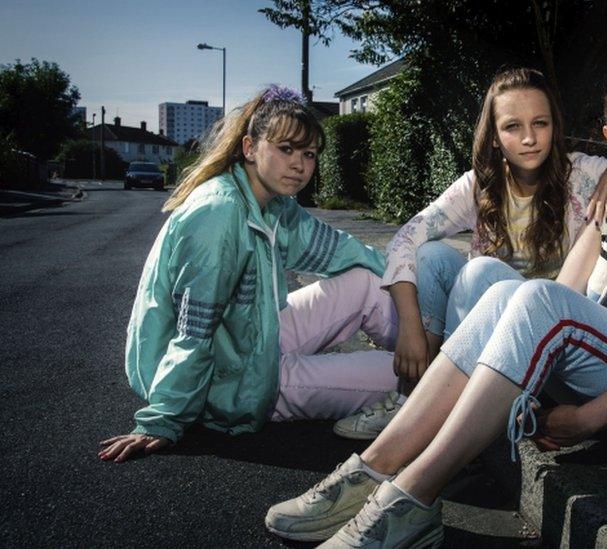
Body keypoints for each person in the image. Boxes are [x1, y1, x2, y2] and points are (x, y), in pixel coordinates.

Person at [265, 57, 607, 547]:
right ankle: (373, 469)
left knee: (533, 297)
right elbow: (569, 291)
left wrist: (587, 419)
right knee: (507, 290)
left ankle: (411, 497)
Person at [98, 86, 400, 463]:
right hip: (229, 381)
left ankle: (447, 357)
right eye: (285, 149)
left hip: (254, 338)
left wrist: (404, 275)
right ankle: (448, 385)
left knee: (367, 281)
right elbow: (194, 332)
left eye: (308, 154)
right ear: (249, 148)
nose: (299, 164)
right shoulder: (219, 213)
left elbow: (338, 249)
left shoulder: (272, 204)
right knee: (401, 377)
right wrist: (164, 419)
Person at [332, 67, 607, 441]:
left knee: (479, 273)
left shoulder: (585, 174)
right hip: (491, 340)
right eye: (512, 127)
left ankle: (426, 411)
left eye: (540, 123)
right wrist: (409, 326)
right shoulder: (480, 186)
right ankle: (419, 398)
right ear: (493, 137)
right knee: (434, 258)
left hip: (554, 339)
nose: (529, 138)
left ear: (555, 125)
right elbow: (407, 237)